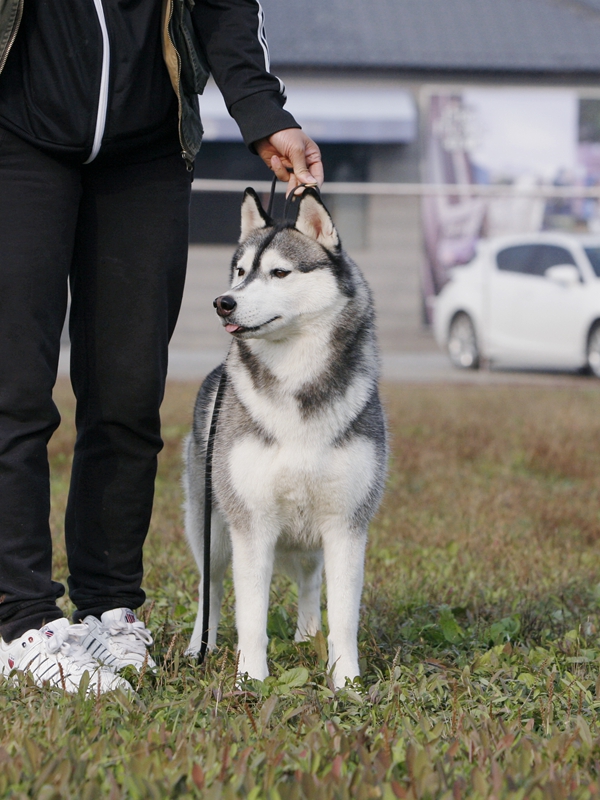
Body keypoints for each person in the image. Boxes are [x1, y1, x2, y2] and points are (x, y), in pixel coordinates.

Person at [0, 0, 323, 694]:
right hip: (15, 134)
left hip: (146, 148)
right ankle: (20, 621)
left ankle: (108, 607)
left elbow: (226, 8)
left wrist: (262, 112)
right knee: (13, 392)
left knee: (127, 393)